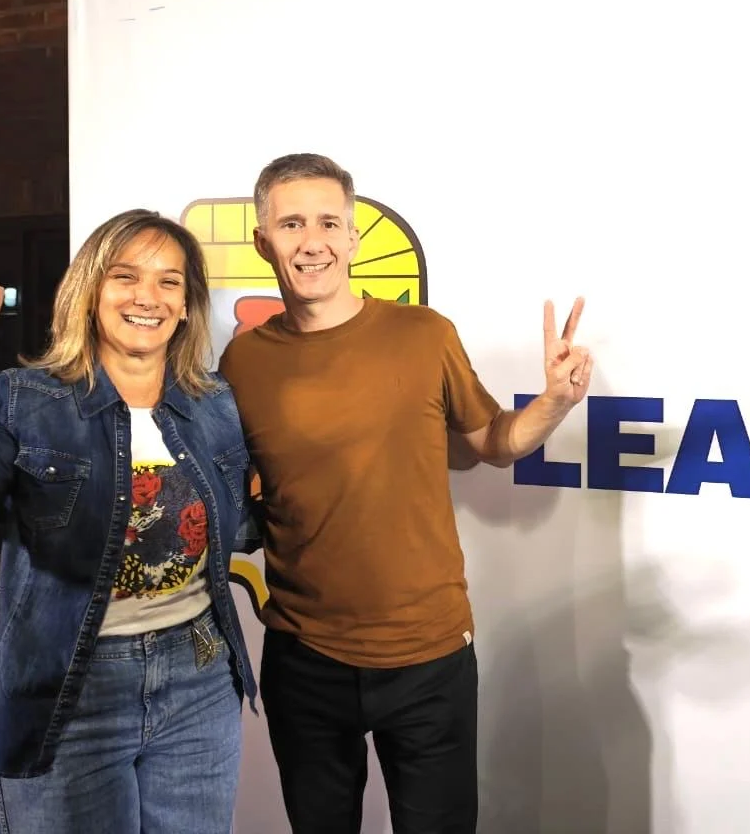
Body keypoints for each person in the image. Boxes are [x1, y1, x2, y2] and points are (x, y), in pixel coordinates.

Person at [219, 153, 593, 833]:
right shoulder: (243, 360)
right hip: (303, 658)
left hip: (428, 654)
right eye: (292, 224)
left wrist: (555, 403)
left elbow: (492, 442)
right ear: (263, 241)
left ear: (353, 238)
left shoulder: (424, 335)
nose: (312, 241)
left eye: (328, 223)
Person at [0, 210, 260, 834]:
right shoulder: (24, 400)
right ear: (89, 291)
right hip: (70, 684)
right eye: (125, 276)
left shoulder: (214, 403)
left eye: (169, 282)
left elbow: (246, 526)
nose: (148, 296)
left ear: (187, 306)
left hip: (198, 680)